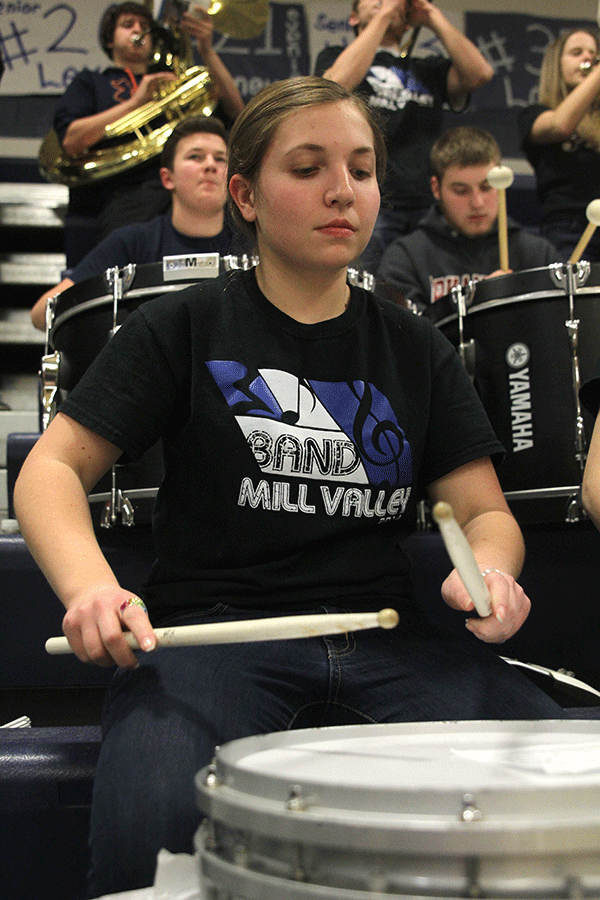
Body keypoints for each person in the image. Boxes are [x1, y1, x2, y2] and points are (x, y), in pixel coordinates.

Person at [15, 76, 569, 897]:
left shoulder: (415, 346)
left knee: (557, 791)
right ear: (245, 193)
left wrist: (487, 568)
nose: (342, 190)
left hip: (392, 641)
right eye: (306, 168)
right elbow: (50, 470)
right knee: (152, 838)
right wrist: (92, 588)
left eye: (361, 167)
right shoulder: (186, 324)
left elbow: (485, 510)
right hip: (216, 639)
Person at [51, 1, 244, 267]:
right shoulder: (92, 82)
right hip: (127, 195)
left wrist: (206, 50)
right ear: (110, 40)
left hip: (188, 191)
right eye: (128, 25)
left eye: (145, 26)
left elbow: (238, 113)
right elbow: (72, 141)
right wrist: (136, 103)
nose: (139, 30)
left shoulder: (173, 81)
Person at [314, 0, 494, 271]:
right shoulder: (336, 55)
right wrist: (385, 15)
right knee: (365, 287)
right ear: (353, 17)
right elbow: (333, 85)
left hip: (425, 203)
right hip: (366, 201)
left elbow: (480, 74)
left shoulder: (427, 68)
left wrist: (430, 15)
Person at [31, 115, 244, 332]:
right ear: (167, 178)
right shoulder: (131, 243)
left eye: (220, 159)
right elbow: (42, 313)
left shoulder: (255, 242)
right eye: (195, 157)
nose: (210, 165)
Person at [376, 126, 561, 310]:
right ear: (435, 188)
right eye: (461, 191)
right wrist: (478, 297)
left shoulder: (538, 255)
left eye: (487, 187)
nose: (477, 203)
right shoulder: (406, 258)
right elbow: (403, 334)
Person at [519, 27, 600, 262]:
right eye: (577, 52)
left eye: (592, 54)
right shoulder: (534, 114)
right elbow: (560, 126)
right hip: (570, 229)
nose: (587, 58)